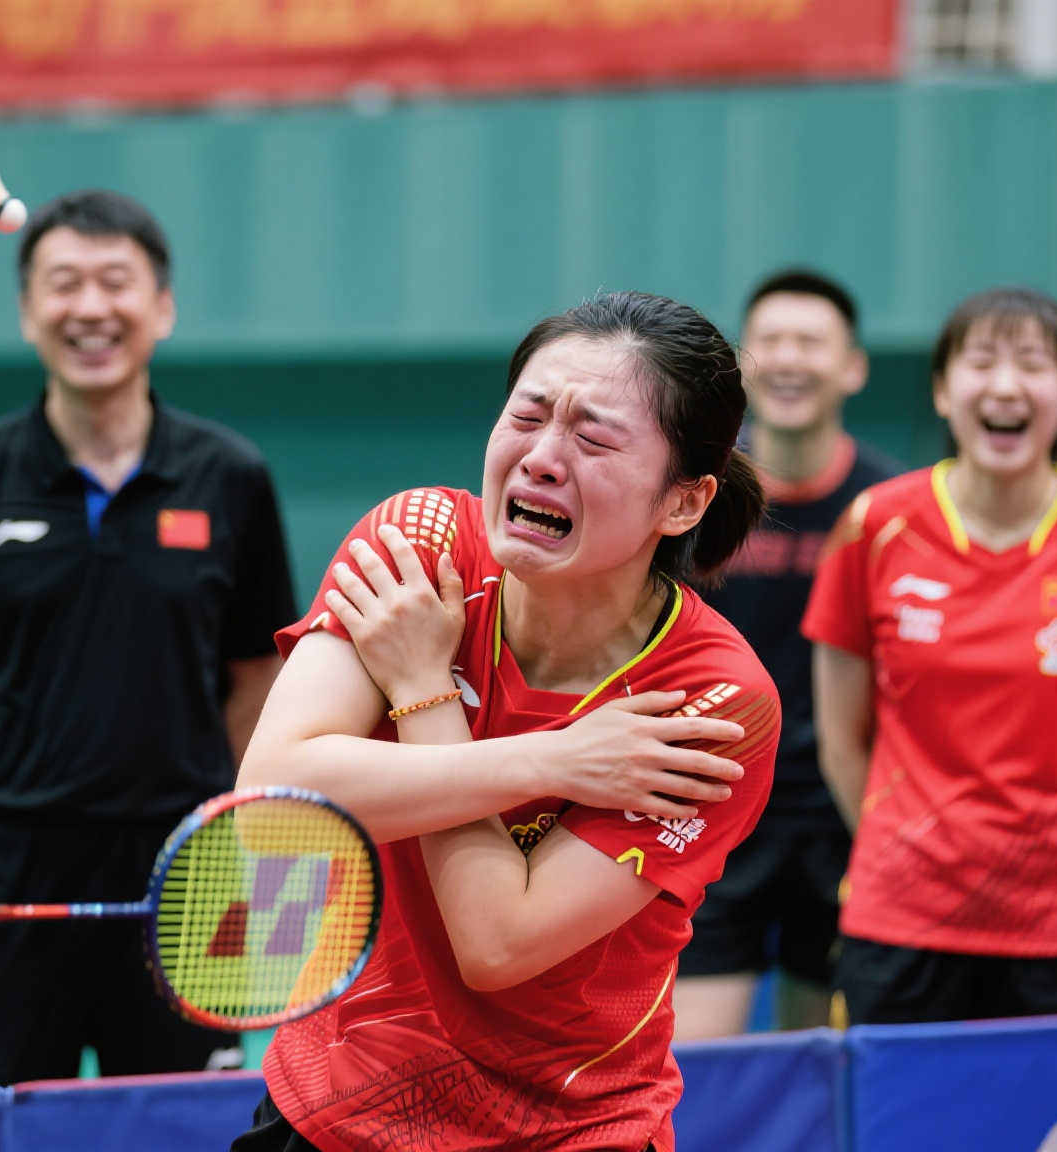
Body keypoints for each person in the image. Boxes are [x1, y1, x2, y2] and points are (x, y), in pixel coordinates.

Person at [232, 292, 780, 1152]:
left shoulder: (710, 700)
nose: (542, 459)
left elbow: (496, 942)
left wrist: (420, 688)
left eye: (594, 438)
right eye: (525, 416)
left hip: (568, 1128)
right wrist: (558, 761)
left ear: (682, 502)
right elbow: (269, 802)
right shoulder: (418, 544)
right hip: (337, 1108)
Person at [0, 189, 299, 1088]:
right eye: (63, 283)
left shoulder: (231, 476)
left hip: (182, 873)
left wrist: (182, 798)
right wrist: (14, 788)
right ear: (29, 311)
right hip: (5, 876)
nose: (90, 308)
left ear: (163, 307)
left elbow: (258, 677)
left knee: (180, 1126)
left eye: (117, 282)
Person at [804, 287, 1057, 1026]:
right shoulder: (874, 527)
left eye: (1033, 365)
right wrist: (910, 844)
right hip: (903, 921)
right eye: (980, 362)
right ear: (945, 392)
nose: (1006, 385)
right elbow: (841, 740)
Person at [672, 269, 904, 1040]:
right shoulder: (692, 497)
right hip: (708, 810)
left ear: (853, 368)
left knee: (819, 1060)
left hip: (838, 820)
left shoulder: (886, 511)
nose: (788, 359)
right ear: (742, 365)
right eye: (769, 341)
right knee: (696, 1067)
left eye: (810, 342)